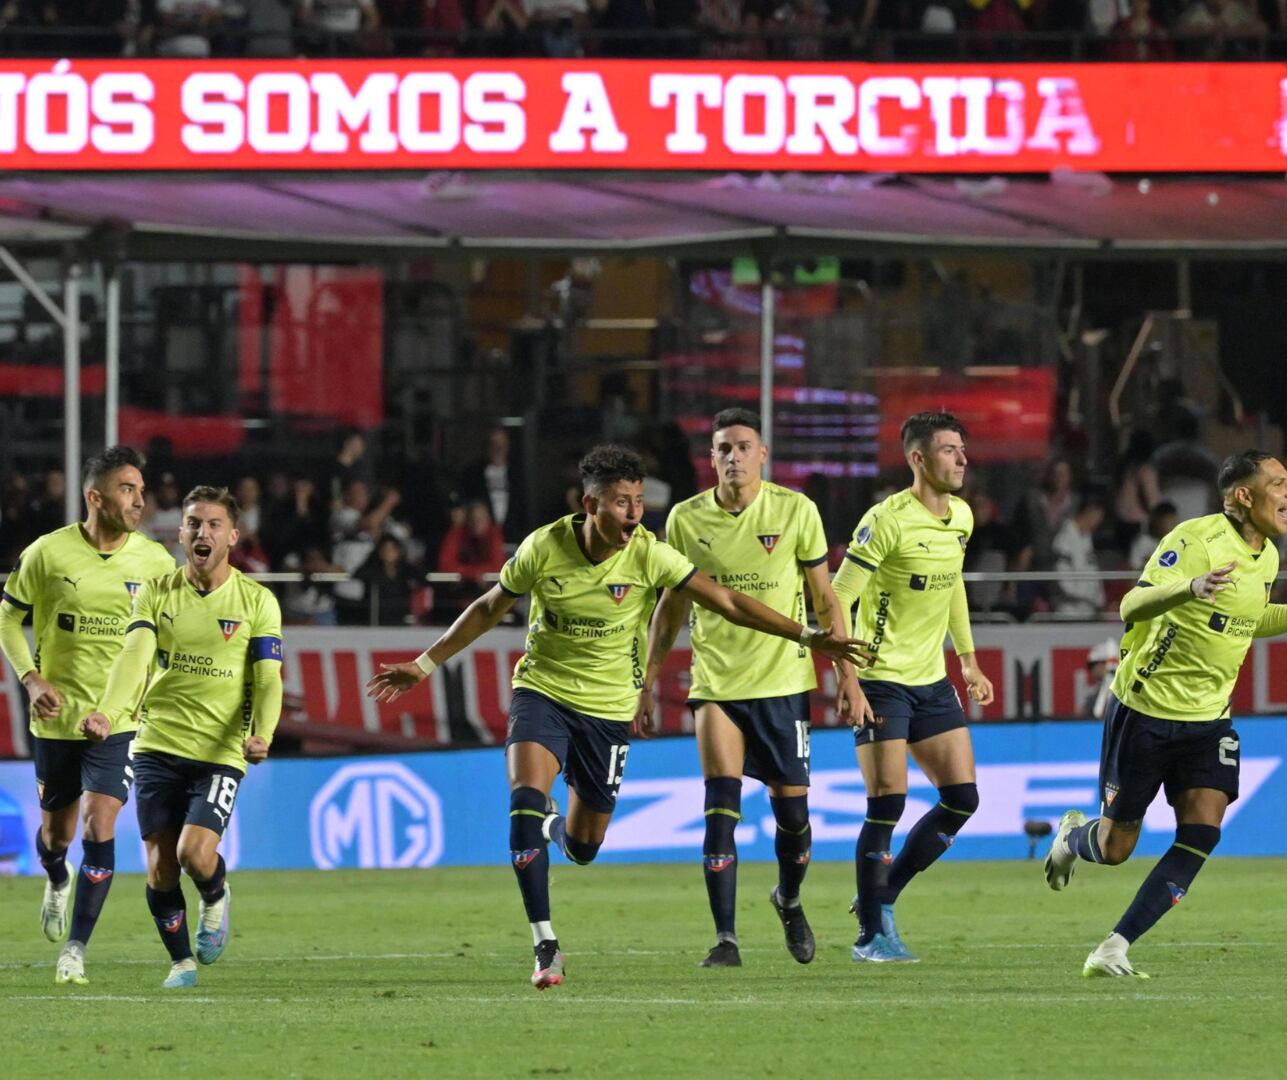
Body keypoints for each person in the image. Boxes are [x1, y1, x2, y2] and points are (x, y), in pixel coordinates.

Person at [364, 445, 870, 991]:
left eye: (638, 502)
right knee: (523, 803)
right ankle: (545, 944)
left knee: (583, 846)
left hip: (606, 712)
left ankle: (557, 827)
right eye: (621, 503)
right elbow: (490, 606)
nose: (634, 514)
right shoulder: (545, 546)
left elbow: (725, 600)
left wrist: (807, 634)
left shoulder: (650, 554)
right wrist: (424, 663)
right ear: (590, 504)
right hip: (543, 693)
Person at [1042, 451, 1287, 979]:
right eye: (1280, 484)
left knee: (1202, 830)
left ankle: (1115, 945)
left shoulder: (1266, 556)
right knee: (1114, 848)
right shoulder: (1195, 540)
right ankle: (1070, 837)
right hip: (1146, 710)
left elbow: (1248, 619)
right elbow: (1131, 606)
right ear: (1244, 496)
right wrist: (1191, 587)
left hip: (1209, 720)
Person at [645, 409, 852, 968]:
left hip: (784, 681)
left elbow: (824, 597)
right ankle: (726, 939)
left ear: (763, 455)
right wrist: (646, 682)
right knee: (720, 807)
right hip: (716, 683)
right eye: (722, 449)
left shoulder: (795, 510)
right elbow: (671, 607)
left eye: (742, 446)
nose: (732, 456)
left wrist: (847, 676)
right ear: (710, 459)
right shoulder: (686, 520)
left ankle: (788, 897)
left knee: (795, 820)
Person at [83, 485, 285, 990]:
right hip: (155, 744)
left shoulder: (256, 600)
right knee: (159, 868)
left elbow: (267, 678)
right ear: (180, 532)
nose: (203, 532)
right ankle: (180, 963)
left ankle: (216, 896)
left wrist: (263, 732)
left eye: (214, 524)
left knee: (195, 854)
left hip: (220, 751)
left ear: (232, 536)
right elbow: (133, 656)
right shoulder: (156, 593)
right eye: (194, 523)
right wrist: (110, 711)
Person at [0, 447, 177, 986]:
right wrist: (31, 678)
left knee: (101, 823)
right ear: (95, 497)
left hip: (118, 722)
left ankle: (74, 949)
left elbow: (170, 638)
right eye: (127, 489)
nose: (140, 500)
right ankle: (56, 876)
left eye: (141, 490)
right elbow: (6, 622)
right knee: (56, 835)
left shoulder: (156, 564)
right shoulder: (47, 554)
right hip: (56, 720)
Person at [832, 411, 995, 963]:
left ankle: (879, 899)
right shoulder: (886, 522)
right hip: (880, 682)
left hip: (931, 680)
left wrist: (968, 662)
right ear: (918, 459)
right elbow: (837, 598)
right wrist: (847, 679)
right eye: (950, 449)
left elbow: (952, 589)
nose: (963, 458)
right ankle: (871, 936)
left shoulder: (962, 518)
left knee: (962, 798)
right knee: (887, 803)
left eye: (963, 448)